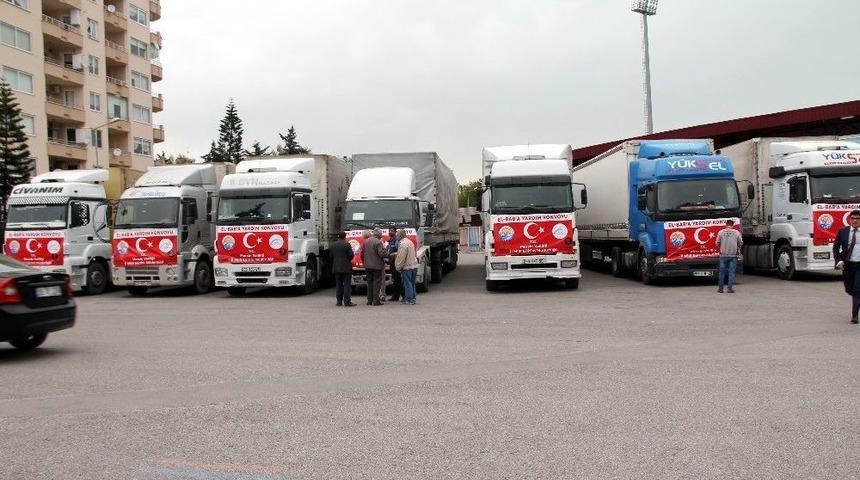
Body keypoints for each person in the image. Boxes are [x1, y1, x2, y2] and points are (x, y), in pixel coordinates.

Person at [833, 209, 860, 324]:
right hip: (848, 265)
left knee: (857, 289)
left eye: (858, 219)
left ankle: (854, 315)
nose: (855, 221)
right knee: (849, 288)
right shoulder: (843, 231)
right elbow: (836, 248)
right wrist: (838, 261)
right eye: (853, 218)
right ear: (849, 219)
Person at [715, 219, 742, 293]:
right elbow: (740, 242)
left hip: (723, 255)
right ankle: (729, 289)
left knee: (722, 272)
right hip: (733, 256)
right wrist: (737, 247)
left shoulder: (720, 232)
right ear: (732, 225)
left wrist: (722, 247)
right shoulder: (736, 232)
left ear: (726, 225)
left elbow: (717, 243)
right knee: (731, 272)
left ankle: (720, 289)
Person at [361, 229, 387, 306]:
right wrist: (386, 250)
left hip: (367, 266)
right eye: (381, 235)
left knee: (370, 283)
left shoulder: (366, 242)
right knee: (377, 283)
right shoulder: (378, 242)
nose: (381, 236)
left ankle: (369, 300)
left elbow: (362, 254)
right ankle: (376, 301)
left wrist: (364, 262)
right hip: (377, 266)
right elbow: (381, 254)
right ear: (378, 235)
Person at [330, 231, 356, 307]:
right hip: (346, 267)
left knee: (338, 284)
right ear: (345, 236)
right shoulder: (347, 244)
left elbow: (331, 256)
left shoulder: (333, 245)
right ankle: (347, 301)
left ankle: (339, 302)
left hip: (336, 267)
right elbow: (351, 255)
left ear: (338, 237)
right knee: (347, 285)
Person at [395, 229, 418, 305]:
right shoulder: (409, 242)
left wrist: (398, 267)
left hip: (407, 267)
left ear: (401, 236)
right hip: (414, 266)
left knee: (407, 284)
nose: (396, 236)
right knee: (412, 283)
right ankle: (413, 298)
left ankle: (409, 299)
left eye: (397, 235)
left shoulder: (403, 244)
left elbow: (401, 257)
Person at [386, 227, 403, 302]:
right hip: (392, 262)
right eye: (389, 231)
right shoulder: (390, 240)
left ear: (395, 232)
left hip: (396, 262)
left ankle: (402, 295)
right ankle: (395, 296)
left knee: (398, 280)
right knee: (395, 280)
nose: (390, 232)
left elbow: (399, 251)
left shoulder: (396, 240)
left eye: (392, 231)